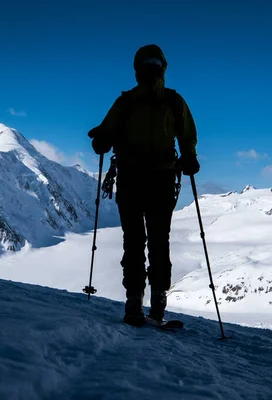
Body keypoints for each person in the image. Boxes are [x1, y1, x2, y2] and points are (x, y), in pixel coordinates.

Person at [88, 44, 199, 326]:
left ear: (137, 70)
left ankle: (134, 301)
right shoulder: (173, 102)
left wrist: (101, 138)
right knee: (159, 241)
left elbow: (107, 133)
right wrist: (189, 158)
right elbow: (187, 134)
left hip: (132, 180)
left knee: (134, 241)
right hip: (162, 180)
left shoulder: (126, 102)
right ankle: (158, 301)